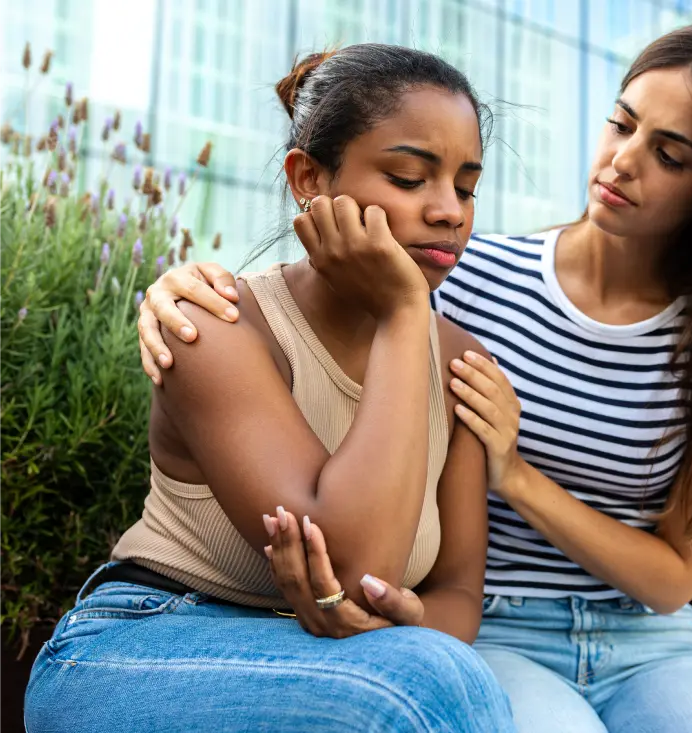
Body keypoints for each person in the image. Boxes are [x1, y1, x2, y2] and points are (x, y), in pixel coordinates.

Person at [136, 23, 692, 732]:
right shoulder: (464, 276)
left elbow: (674, 576)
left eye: (670, 155)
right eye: (621, 123)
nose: (621, 162)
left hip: (652, 641)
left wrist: (515, 473)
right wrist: (177, 288)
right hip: (496, 627)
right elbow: (330, 309)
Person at [24, 45, 516, 733]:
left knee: (441, 674)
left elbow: (458, 593)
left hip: (342, 661)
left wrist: (405, 617)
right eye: (409, 178)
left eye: (465, 187)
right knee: (426, 686)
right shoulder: (215, 324)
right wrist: (405, 313)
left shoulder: (462, 361)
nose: (449, 212)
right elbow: (357, 560)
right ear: (307, 179)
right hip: (143, 643)